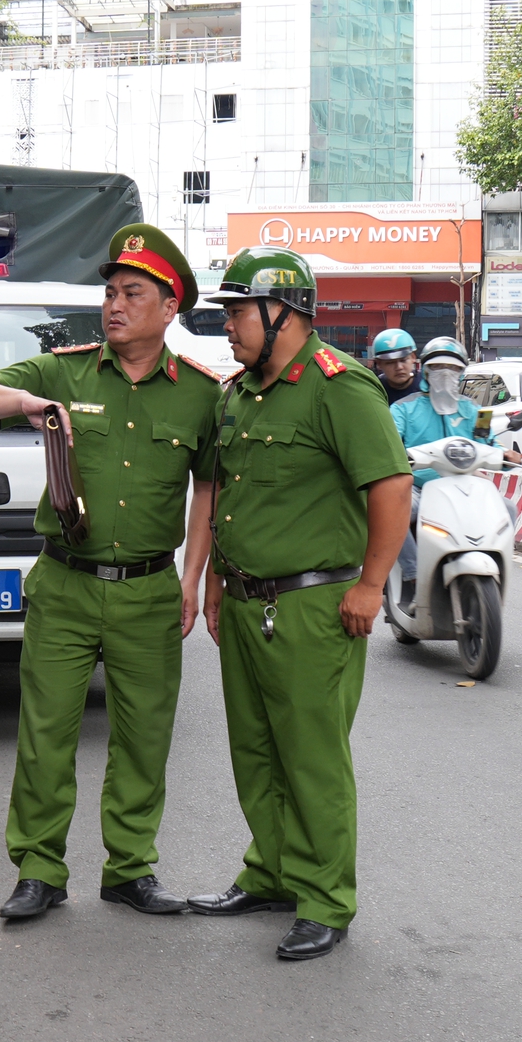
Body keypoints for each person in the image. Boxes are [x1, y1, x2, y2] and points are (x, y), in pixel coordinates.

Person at [0, 226, 221, 923]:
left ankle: (130, 868)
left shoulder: (200, 393)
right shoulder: (63, 371)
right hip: (65, 584)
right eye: (110, 293)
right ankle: (39, 869)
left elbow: (208, 491)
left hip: (150, 590)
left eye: (132, 293)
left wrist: (193, 578)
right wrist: (28, 404)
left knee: (144, 737)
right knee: (46, 733)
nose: (114, 305)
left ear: (170, 308)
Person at [192, 248, 411, 962]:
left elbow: (391, 486)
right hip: (246, 601)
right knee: (256, 751)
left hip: (314, 604)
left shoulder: (339, 387)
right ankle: (273, 873)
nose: (227, 325)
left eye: (236, 311)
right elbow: (228, 494)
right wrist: (217, 581)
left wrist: (371, 585)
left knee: (313, 758)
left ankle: (324, 899)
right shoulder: (239, 394)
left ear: (281, 312)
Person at [388, 337, 493, 611]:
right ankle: (414, 577)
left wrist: (508, 455)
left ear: (462, 373)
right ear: (425, 371)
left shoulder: (475, 410)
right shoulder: (403, 408)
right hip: (420, 488)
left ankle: (490, 563)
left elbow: (490, 443)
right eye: (438, 367)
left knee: (506, 508)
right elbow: (389, 445)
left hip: (465, 486)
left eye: (453, 368)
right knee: (394, 510)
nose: (445, 374)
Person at [367, 327, 421, 405]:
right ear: (379, 364)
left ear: (413, 357)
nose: (399, 367)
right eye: (390, 363)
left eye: (403, 360)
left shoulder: (428, 385)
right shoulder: (375, 390)